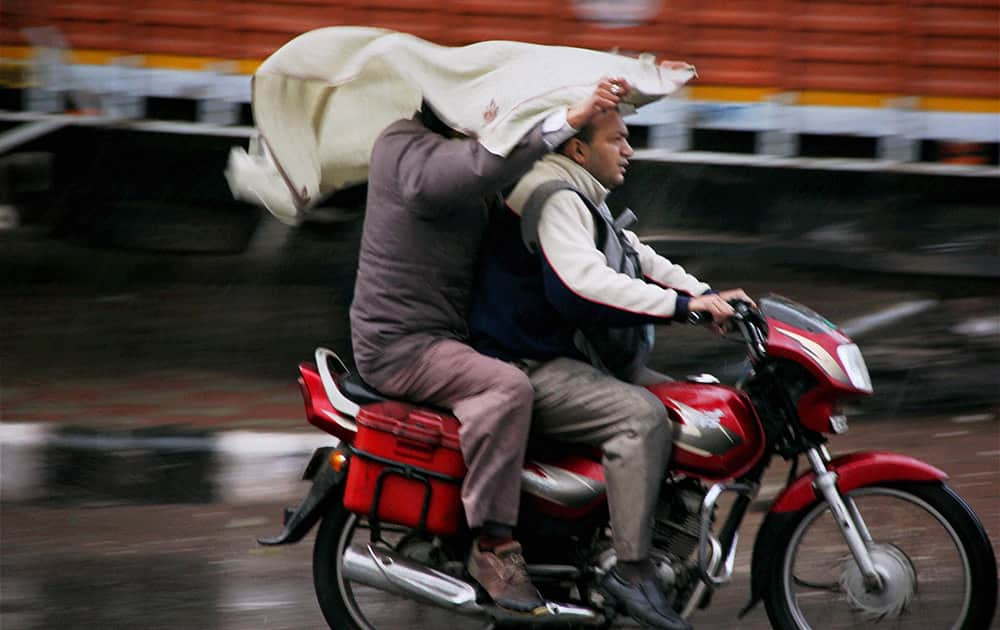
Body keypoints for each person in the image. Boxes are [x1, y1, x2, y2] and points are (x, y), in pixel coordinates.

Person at [468, 81, 752, 629]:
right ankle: (631, 569)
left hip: (566, 358)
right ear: (578, 147)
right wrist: (684, 308)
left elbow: (638, 256)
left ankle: (655, 534)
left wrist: (712, 298)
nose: (630, 150)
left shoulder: (583, 194)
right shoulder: (553, 197)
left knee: (689, 409)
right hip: (528, 364)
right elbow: (583, 286)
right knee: (641, 418)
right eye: (618, 139)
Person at [348, 80, 629, 614]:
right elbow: (475, 171)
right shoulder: (408, 151)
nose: (498, 116)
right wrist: (570, 118)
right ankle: (494, 546)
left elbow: (507, 179)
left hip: (448, 335)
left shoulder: (461, 153)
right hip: (402, 345)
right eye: (489, 108)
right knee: (506, 387)